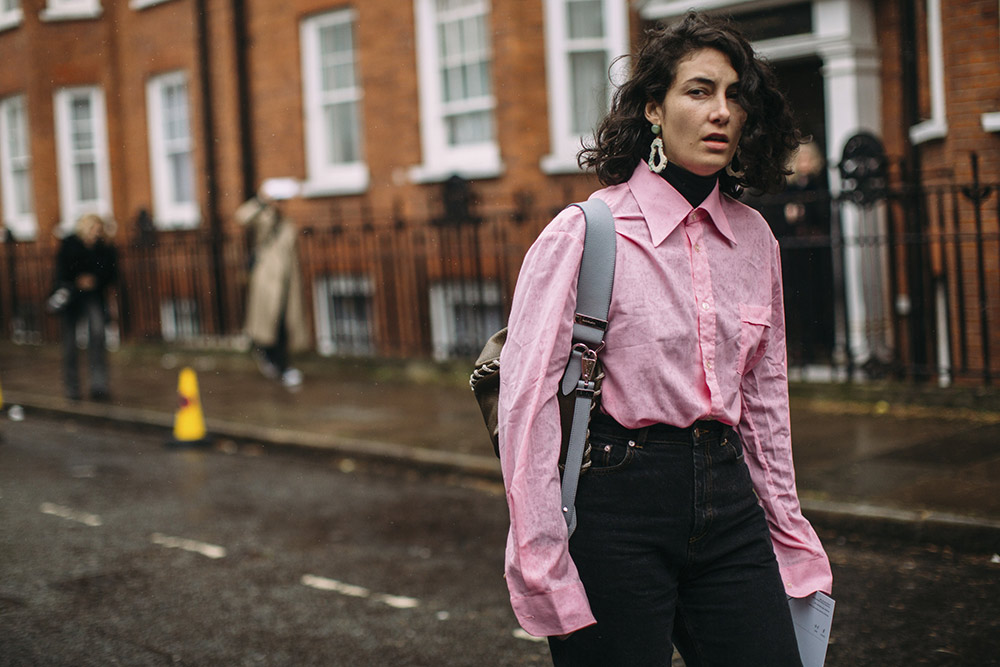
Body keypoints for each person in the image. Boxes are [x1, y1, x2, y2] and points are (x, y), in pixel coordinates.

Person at [497, 12, 832, 666]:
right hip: (619, 505)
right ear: (654, 107)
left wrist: (789, 529)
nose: (721, 112)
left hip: (729, 502)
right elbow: (527, 404)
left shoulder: (755, 240)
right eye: (699, 91)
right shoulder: (586, 233)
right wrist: (541, 558)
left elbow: (763, 407)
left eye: (735, 95)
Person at [234, 181, 309, 389]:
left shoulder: (288, 223)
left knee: (285, 324)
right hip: (267, 281)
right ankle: (273, 360)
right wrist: (261, 201)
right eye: (279, 201)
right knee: (269, 321)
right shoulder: (264, 218)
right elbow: (241, 217)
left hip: (287, 282)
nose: (282, 205)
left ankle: (281, 364)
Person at [54, 213, 117, 401]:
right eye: (93, 229)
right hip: (72, 298)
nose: (95, 234)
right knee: (70, 344)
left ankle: (99, 385)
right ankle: (72, 387)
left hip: (93, 297)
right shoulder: (70, 244)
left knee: (97, 337)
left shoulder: (104, 248)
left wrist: (95, 280)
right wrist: (77, 280)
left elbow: (111, 273)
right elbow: (61, 271)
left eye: (98, 230)